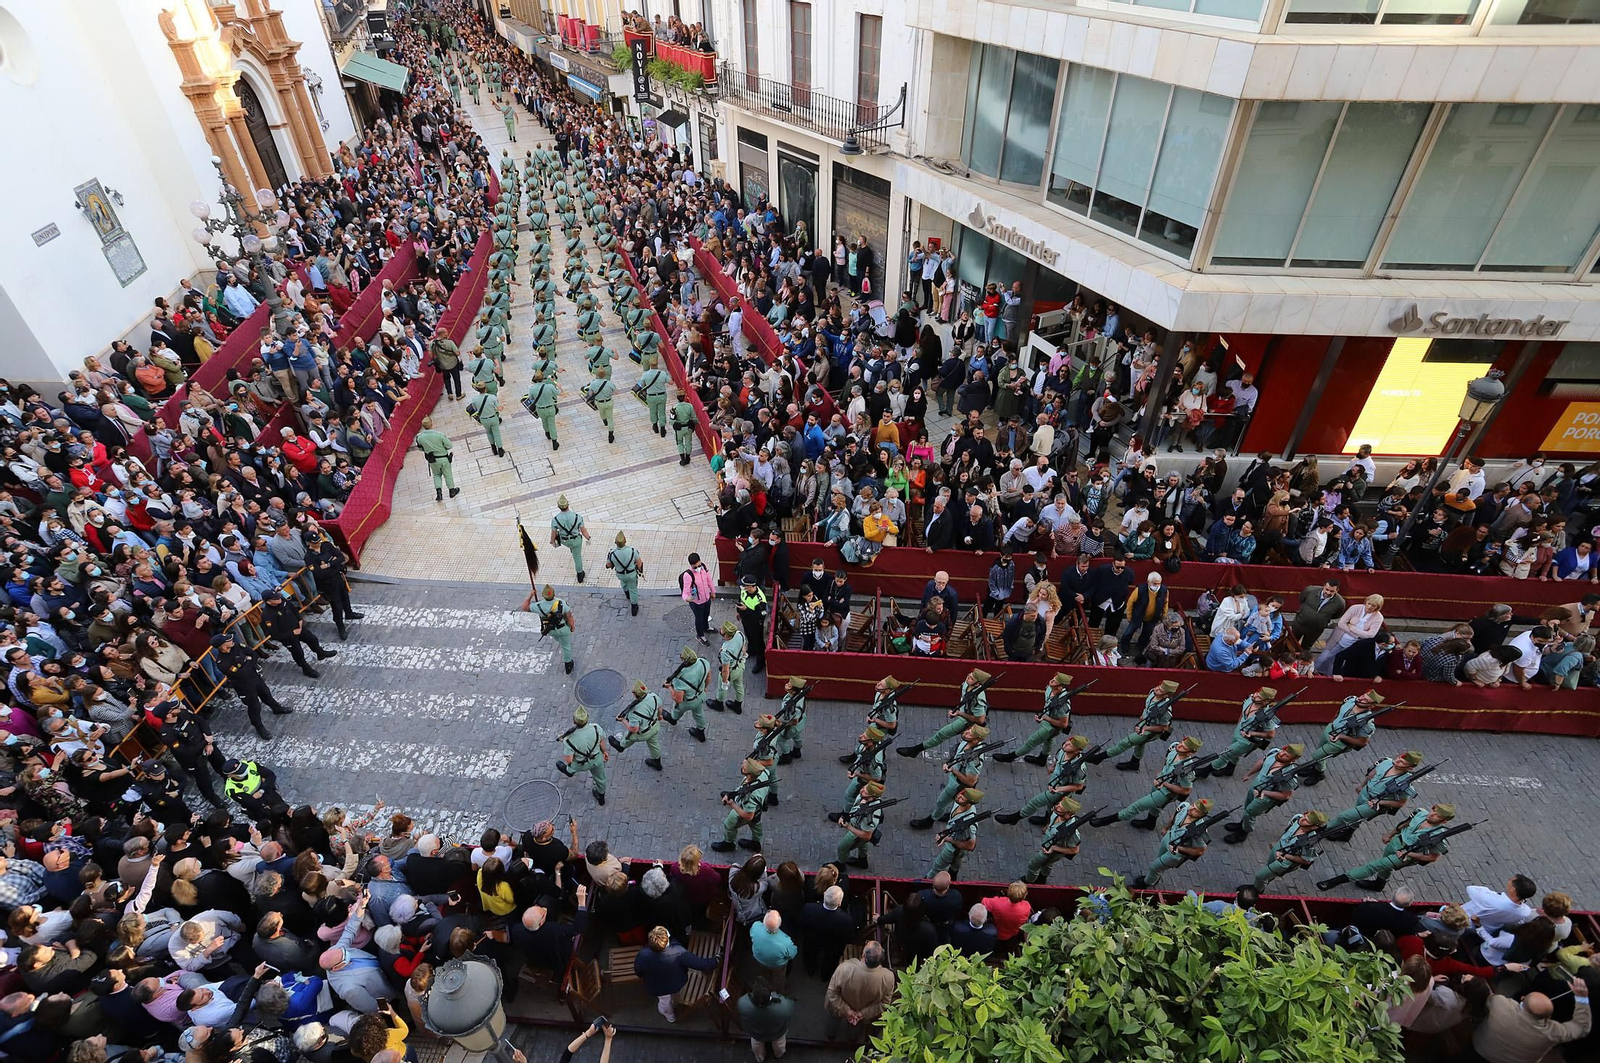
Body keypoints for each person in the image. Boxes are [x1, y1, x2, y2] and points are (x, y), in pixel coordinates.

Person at [633, 925, 721, 1023]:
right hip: (676, 984)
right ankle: (674, 1005)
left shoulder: (643, 955)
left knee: (664, 1001)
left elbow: (638, 971)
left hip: (656, 986)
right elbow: (700, 964)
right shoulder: (679, 952)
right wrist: (715, 961)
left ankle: (670, 1016)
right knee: (673, 997)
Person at [1130, 798, 1214, 889]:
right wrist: (1166, 828)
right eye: (1192, 805)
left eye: (1196, 811)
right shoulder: (1184, 806)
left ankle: (1145, 884)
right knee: (1158, 861)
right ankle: (1154, 877)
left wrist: (1180, 848)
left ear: (1202, 815)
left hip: (1175, 853)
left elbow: (1200, 851)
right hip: (1168, 837)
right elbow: (1174, 816)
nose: (1190, 809)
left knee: (1154, 867)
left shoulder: (1200, 830)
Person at [823, 940, 895, 1043]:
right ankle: (852, 1040)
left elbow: (832, 992)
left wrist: (846, 1010)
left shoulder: (845, 968)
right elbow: (884, 1003)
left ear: (864, 955)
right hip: (860, 1013)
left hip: (837, 1007)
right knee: (855, 1028)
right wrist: (862, 1013)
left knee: (833, 1021)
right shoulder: (888, 977)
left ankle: (830, 1037)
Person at [557, 707, 609, 806]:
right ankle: (601, 797)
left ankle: (569, 772)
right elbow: (601, 742)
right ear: (587, 719)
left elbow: (569, 760)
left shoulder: (568, 739)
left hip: (581, 764)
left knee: (569, 767)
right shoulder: (596, 728)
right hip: (597, 759)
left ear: (574, 721)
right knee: (601, 778)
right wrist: (605, 752)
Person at [737, 977, 794, 1062]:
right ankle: (778, 1055)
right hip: (777, 1033)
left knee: (757, 1046)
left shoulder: (742, 1004)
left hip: (756, 1033)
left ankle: (760, 1058)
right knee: (779, 1046)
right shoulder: (783, 1007)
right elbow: (791, 1008)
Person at [529, 585, 577, 674]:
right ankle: (568, 664)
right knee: (566, 646)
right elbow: (569, 618)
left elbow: (524, 607)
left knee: (558, 639)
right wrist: (572, 627)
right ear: (554, 594)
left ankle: (559, 640)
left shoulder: (538, 606)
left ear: (543, 595)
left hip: (551, 630)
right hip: (563, 629)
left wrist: (530, 596)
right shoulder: (561, 603)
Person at [414, 416, 459, 501]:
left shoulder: (420, 437)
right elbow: (449, 445)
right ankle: (452, 491)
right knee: (448, 474)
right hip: (443, 458)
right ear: (432, 424)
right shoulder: (439, 435)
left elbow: (420, 448)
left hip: (432, 460)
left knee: (436, 475)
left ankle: (439, 493)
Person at [550, 495, 591, 582]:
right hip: (576, 540)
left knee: (571, 546)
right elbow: (583, 530)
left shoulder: (555, 519)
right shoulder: (577, 517)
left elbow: (553, 533)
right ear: (568, 505)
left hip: (564, 541)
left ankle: (571, 548)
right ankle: (580, 574)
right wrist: (588, 538)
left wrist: (552, 541)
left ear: (559, 507)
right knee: (577, 557)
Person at [605, 532, 645, 617]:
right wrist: (641, 571)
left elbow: (608, 565)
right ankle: (634, 607)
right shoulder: (632, 551)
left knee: (623, 582)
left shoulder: (612, 554)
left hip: (621, 574)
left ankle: (627, 594)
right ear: (625, 541)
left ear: (616, 543)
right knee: (633, 589)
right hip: (631, 574)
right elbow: (639, 563)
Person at [466, 380, 505, 457]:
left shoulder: (474, 399)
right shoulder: (492, 397)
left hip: (483, 419)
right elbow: (500, 408)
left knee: (489, 432)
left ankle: (493, 448)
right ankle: (500, 449)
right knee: (496, 434)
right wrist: (502, 405)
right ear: (485, 388)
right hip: (493, 418)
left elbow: (475, 409)